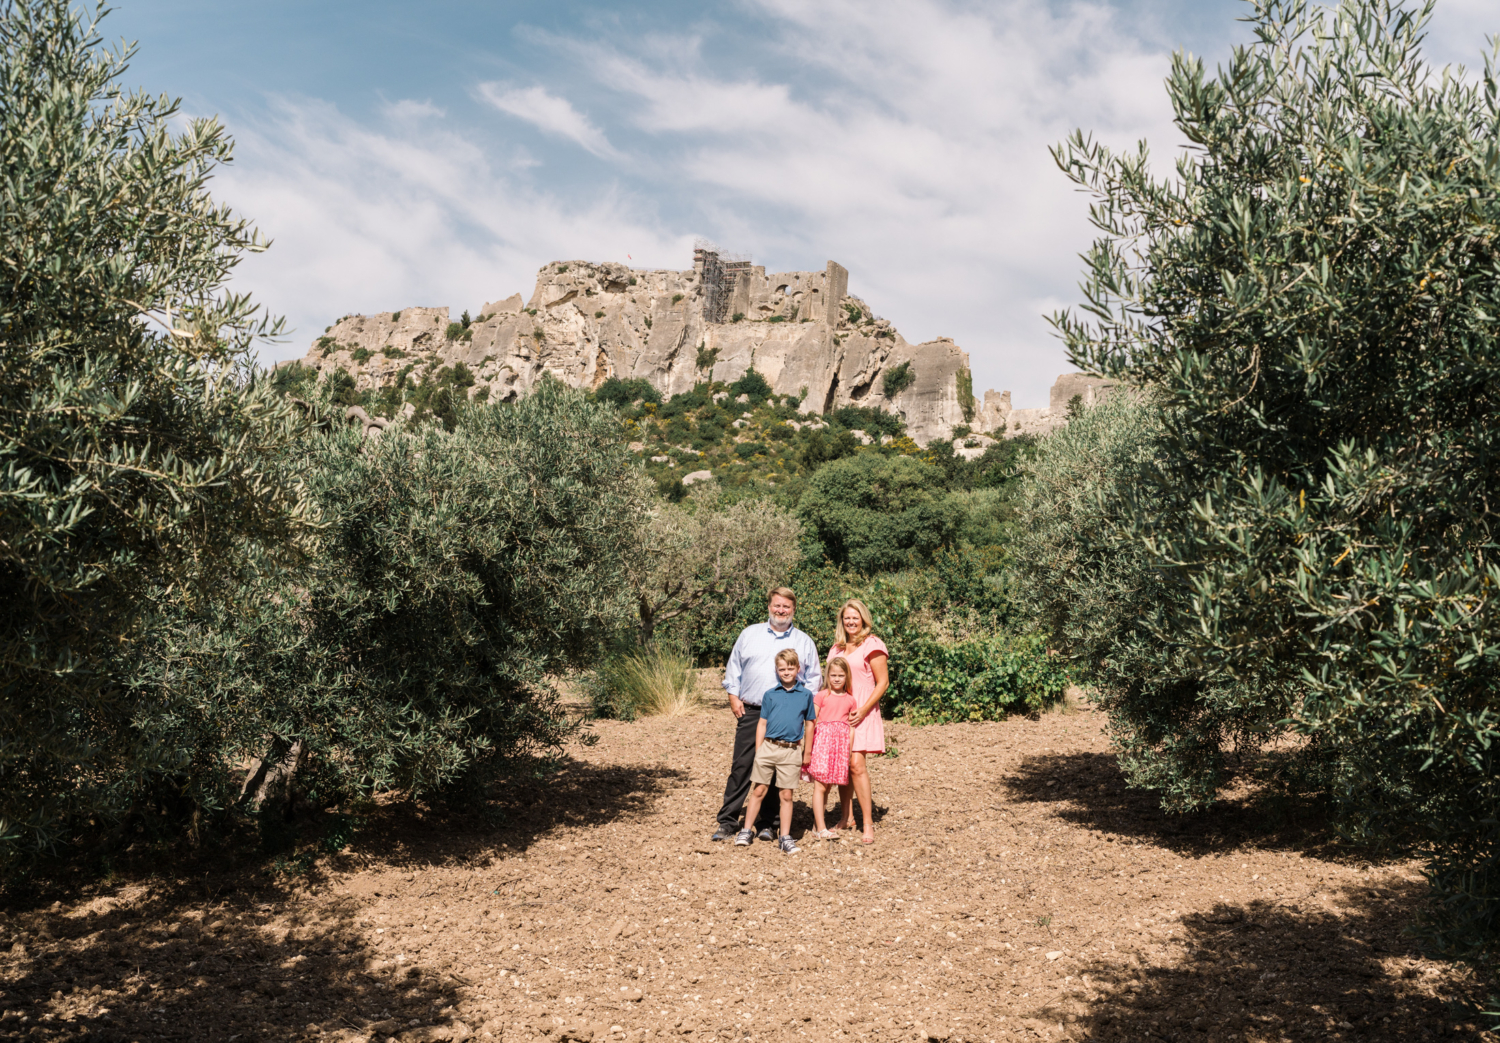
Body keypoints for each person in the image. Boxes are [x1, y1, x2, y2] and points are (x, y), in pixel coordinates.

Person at [712, 587, 822, 842]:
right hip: (752, 712)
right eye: (777, 605)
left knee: (778, 769)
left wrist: (800, 707)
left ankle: (768, 824)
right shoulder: (750, 634)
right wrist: (733, 696)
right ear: (769, 606)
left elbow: (815, 679)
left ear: (794, 610)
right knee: (742, 766)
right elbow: (734, 668)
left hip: (787, 715)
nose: (781, 610)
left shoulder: (804, 641)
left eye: (786, 607)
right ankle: (728, 821)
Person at [735, 648, 816, 854]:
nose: (786, 672)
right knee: (759, 790)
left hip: (791, 751)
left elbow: (809, 724)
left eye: (790, 668)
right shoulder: (770, 695)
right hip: (768, 748)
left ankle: (785, 837)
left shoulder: (806, 695)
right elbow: (762, 723)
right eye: (782, 669)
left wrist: (807, 752)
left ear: (798, 669)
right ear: (777, 671)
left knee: (786, 795)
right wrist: (760, 749)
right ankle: (746, 830)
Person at [827, 598, 888, 844]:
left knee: (856, 766)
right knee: (843, 766)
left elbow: (882, 682)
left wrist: (863, 709)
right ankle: (846, 817)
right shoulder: (837, 648)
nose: (851, 621)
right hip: (840, 713)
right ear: (842, 621)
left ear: (863, 619)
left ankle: (868, 823)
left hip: (862, 711)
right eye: (847, 618)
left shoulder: (871, 644)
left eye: (855, 617)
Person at [806, 657, 857, 840]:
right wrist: (808, 749)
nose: (836, 679)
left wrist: (849, 751)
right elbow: (812, 721)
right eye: (833, 675)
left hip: (839, 748)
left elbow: (851, 727)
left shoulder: (850, 699)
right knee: (820, 786)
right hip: (822, 744)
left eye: (840, 675)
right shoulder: (822, 696)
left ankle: (816, 825)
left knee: (827, 788)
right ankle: (821, 828)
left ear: (846, 677)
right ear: (827, 675)